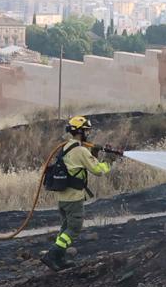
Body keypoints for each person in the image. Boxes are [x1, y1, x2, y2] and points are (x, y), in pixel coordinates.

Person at [40, 116, 119, 271]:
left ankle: (59, 259)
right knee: (74, 228)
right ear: (80, 132)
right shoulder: (80, 150)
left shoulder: (66, 147)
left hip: (63, 198)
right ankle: (52, 254)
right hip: (74, 198)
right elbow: (98, 170)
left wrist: (94, 153)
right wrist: (110, 160)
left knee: (65, 228)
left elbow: (79, 166)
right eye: (86, 131)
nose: (88, 134)